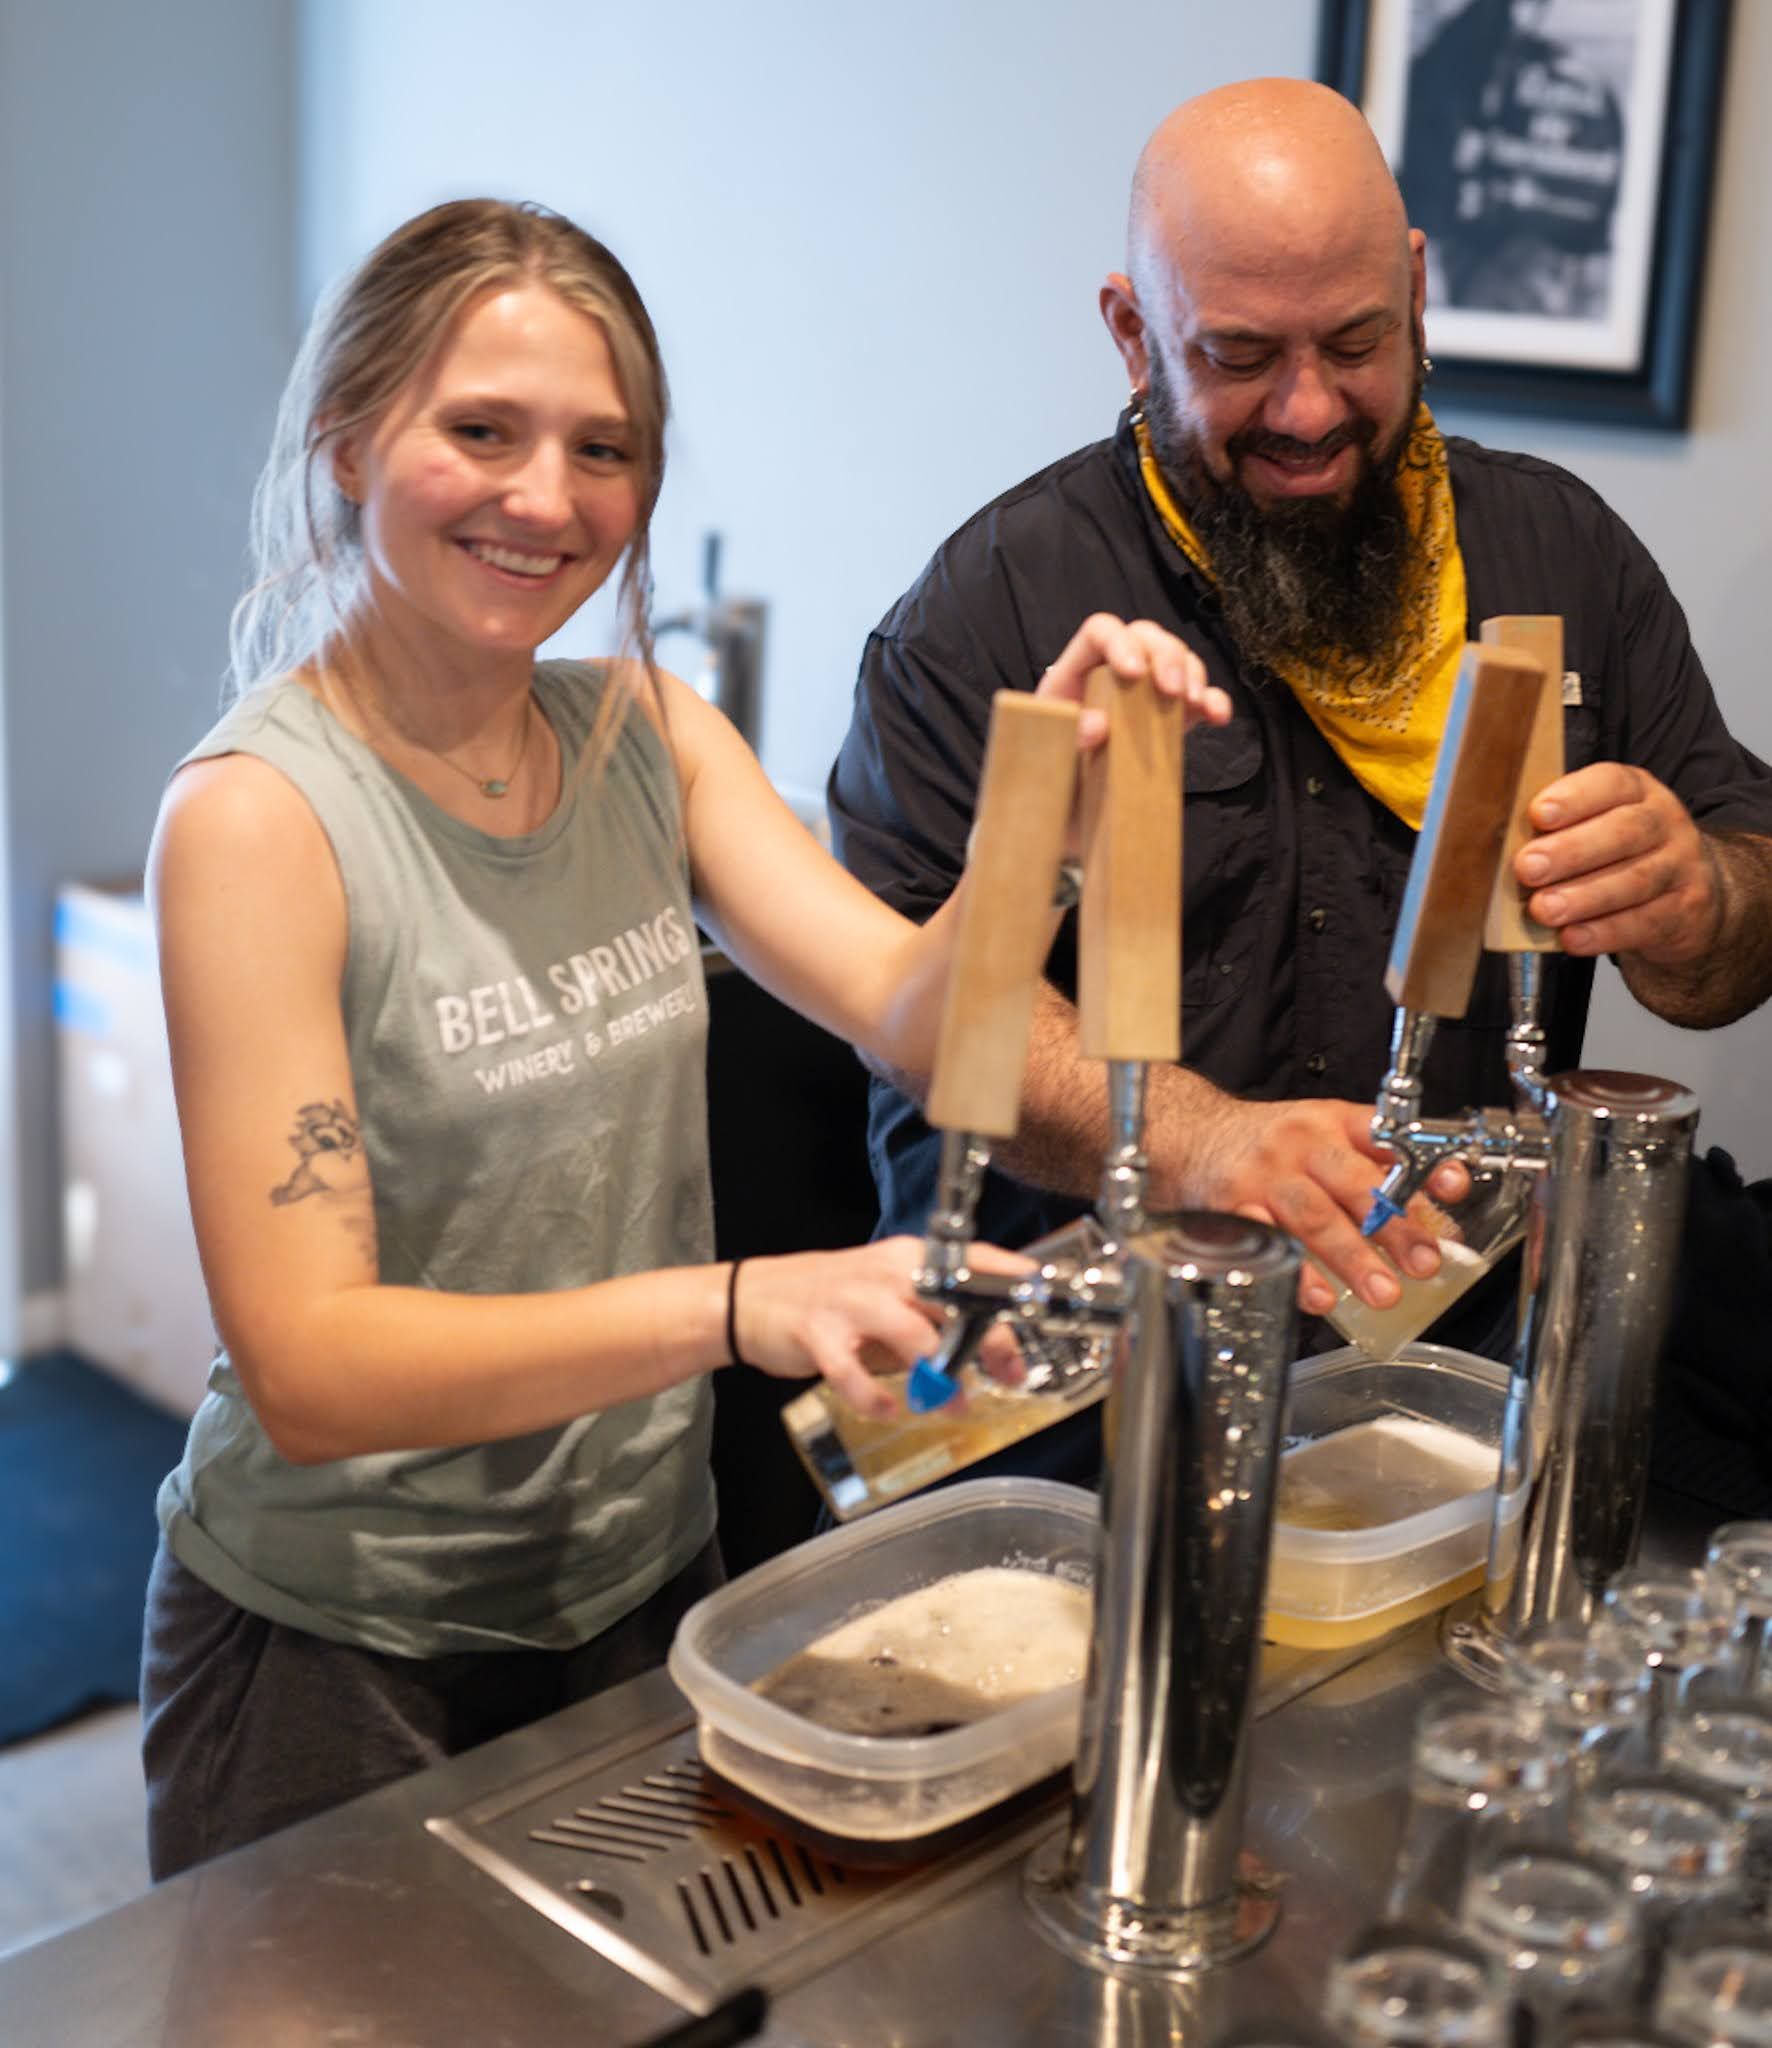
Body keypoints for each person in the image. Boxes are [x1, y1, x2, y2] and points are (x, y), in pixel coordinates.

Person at [139, 197, 1227, 1879]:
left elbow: (920, 1024)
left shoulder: (652, 734)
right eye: (481, 432)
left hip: (645, 1596)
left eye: (603, 449)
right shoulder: (257, 821)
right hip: (340, 1647)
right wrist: (739, 1307)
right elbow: (310, 1368)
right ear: (349, 441)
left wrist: (1048, 815)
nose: (545, 498)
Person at [829, 76, 1772, 1368]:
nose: (1311, 411)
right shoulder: (989, 614)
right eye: (1242, 357)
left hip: (1450, 1351)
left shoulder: (1563, 560)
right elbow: (918, 1018)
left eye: (1356, 341)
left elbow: (1736, 938)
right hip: (1076, 1379)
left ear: (1418, 293)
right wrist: (1197, 1140)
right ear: (1133, 334)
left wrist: (1700, 900)